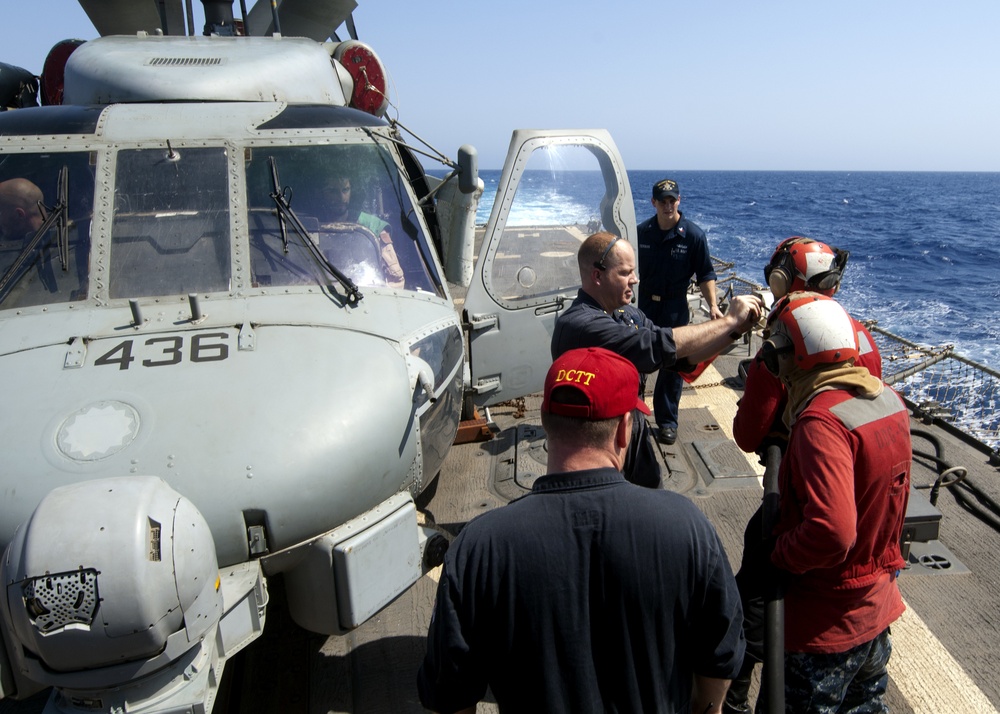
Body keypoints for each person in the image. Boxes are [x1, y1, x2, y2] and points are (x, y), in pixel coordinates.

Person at [417, 346, 746, 714]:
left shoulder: (479, 547)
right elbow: (719, 656)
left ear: (544, 421)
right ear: (625, 429)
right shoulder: (687, 527)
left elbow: (450, 695)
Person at [726, 237, 881, 714]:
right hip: (864, 518)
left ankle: (730, 693)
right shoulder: (863, 338)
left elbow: (749, 433)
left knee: (752, 589)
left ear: (781, 283)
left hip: (801, 503)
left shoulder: (787, 347)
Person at [764, 292, 910, 713]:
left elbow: (832, 532)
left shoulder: (820, 423)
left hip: (826, 627)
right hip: (875, 614)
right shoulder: (888, 402)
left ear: (793, 357)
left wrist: (778, 555)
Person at [551, 231, 762, 488]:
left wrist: (735, 331)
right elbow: (654, 344)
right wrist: (729, 319)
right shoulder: (580, 326)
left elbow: (680, 357)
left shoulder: (627, 315)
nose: (635, 280)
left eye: (634, 271)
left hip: (632, 428)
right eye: (625, 273)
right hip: (595, 444)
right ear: (597, 276)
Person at [637, 178, 722, 446]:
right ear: (653, 203)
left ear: (679, 201)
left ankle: (667, 422)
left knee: (672, 367)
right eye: (662, 201)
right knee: (636, 362)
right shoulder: (641, 233)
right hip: (644, 308)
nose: (667, 205)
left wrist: (713, 306)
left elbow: (706, 273)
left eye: (672, 200)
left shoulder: (694, 236)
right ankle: (632, 412)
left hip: (675, 309)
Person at [320, 173, 405, 289]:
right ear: (321, 193)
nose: (341, 197)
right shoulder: (307, 225)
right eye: (332, 191)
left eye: (345, 190)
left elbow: (395, 280)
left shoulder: (373, 226)